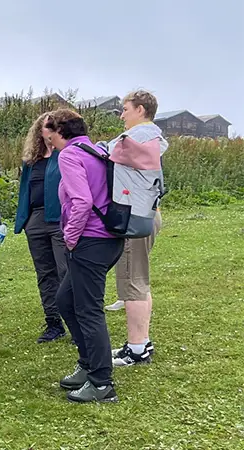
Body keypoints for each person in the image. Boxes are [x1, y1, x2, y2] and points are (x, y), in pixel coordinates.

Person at [44, 109, 125, 403]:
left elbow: (82, 201)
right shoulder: (96, 150)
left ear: (59, 131)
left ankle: (102, 383)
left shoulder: (69, 155)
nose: (46, 137)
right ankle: (88, 363)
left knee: (88, 310)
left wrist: (70, 238)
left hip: (91, 240)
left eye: (48, 131)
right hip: (110, 238)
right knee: (65, 300)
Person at [106, 90, 168, 367]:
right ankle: (141, 341)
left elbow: (109, 152)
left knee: (133, 282)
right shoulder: (150, 136)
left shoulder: (140, 136)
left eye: (125, 109)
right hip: (145, 215)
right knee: (139, 281)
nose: (122, 115)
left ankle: (137, 349)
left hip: (135, 217)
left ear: (140, 109)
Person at [15, 112, 69, 343]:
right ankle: (53, 322)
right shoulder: (32, 160)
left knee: (65, 271)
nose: (48, 131)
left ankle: (76, 321)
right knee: (45, 274)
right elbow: (25, 190)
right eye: (45, 127)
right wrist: (24, 220)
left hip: (60, 219)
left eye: (52, 127)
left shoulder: (66, 155)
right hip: (36, 220)